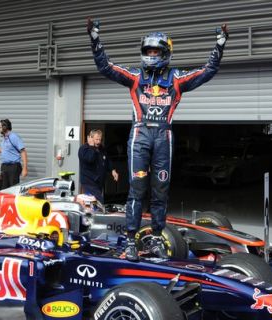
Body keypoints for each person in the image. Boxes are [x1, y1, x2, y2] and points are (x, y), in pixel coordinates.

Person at [87, 18, 229, 261]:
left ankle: (155, 238)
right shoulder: (134, 76)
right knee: (137, 190)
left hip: (164, 135)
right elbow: (106, 67)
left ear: (165, 52)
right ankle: (130, 241)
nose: (151, 55)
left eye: (156, 51)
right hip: (140, 134)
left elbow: (207, 72)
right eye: (148, 51)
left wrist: (219, 46)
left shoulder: (176, 78)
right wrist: (95, 40)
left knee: (160, 190)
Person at [78, 129, 119, 204]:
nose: (99, 142)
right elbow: (90, 159)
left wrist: (113, 170)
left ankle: (93, 213)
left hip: (99, 183)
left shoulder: (101, 148)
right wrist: (92, 147)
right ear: (90, 138)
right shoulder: (84, 149)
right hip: (89, 182)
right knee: (99, 202)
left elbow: (107, 160)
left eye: (100, 139)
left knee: (94, 204)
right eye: (96, 139)